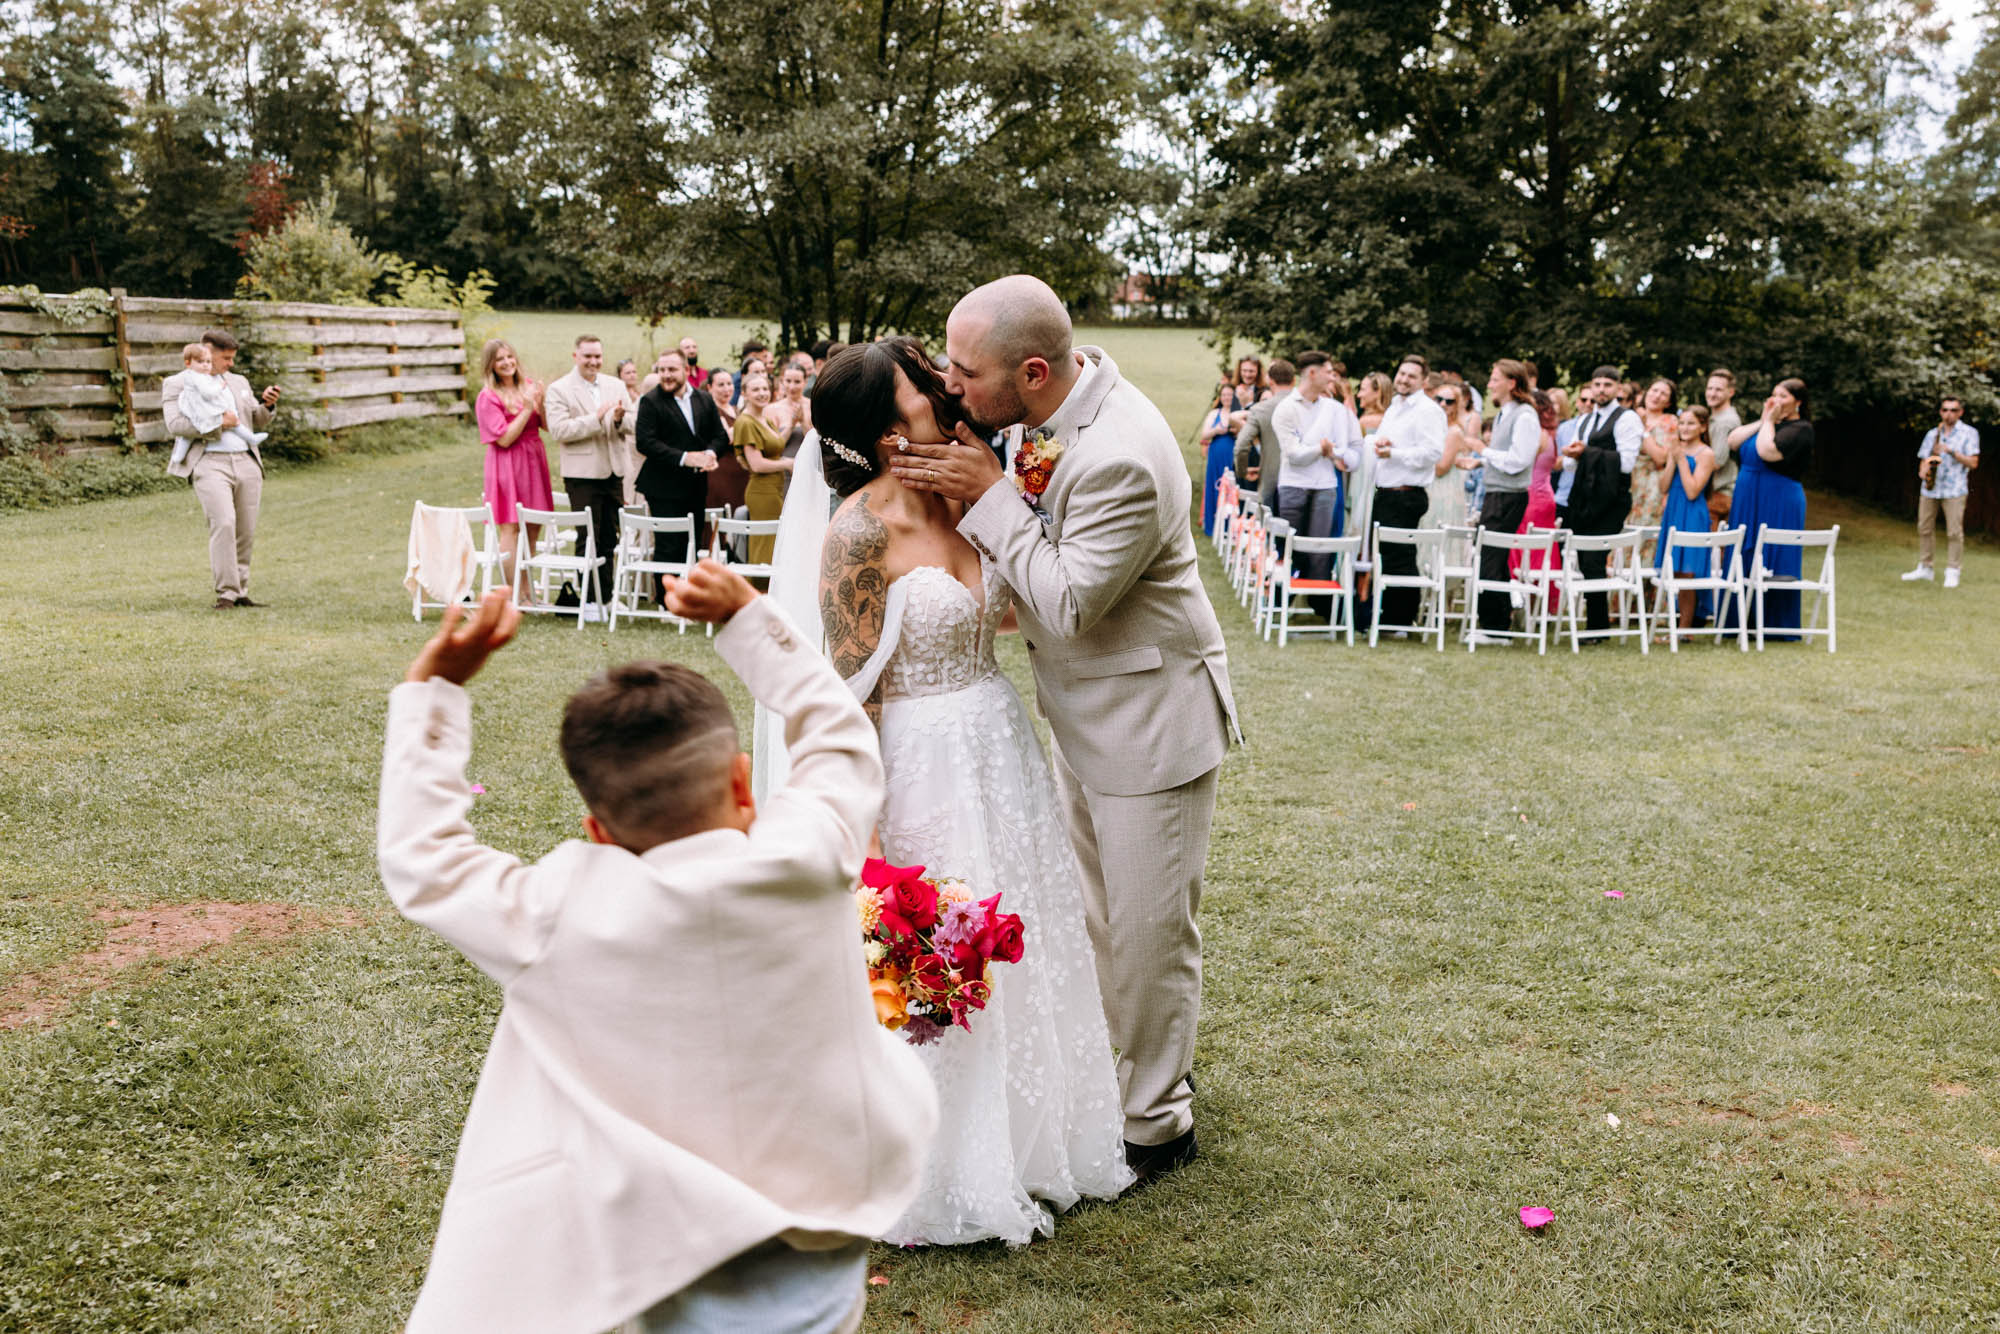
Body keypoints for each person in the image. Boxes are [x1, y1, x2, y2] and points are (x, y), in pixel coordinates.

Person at [377, 572, 937, 1334]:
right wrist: (747, 617)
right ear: (742, 783)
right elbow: (839, 734)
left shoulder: (555, 912)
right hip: (822, 1252)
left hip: (663, 1273)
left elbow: (423, 857)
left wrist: (433, 690)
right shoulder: (809, 852)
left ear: (597, 831)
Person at [758, 335, 1133, 1247]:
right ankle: (934, 1167)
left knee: (1023, 933)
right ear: (888, 435)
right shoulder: (859, 535)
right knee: (936, 953)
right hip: (918, 765)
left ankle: (1041, 1139)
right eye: (923, 388)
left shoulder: (971, 495)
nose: (944, 389)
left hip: (1000, 745)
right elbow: (848, 699)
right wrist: (869, 843)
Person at [887, 274, 1239, 1188]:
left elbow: (1071, 602)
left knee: (1150, 932)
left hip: (1150, 721)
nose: (951, 385)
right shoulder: (1049, 416)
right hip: (1088, 711)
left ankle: (1157, 1121)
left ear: (1033, 372)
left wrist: (991, 496)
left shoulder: (1120, 456)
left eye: (965, 372)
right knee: (1103, 920)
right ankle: (1124, 1075)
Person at [163, 328, 281, 610]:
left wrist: (267, 405)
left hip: (246, 461)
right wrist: (218, 424)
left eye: (232, 358)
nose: (231, 363)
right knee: (224, 523)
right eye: (226, 358)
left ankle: (241, 590)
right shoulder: (177, 383)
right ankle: (226, 593)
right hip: (209, 463)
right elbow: (175, 424)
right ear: (207, 352)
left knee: (245, 529)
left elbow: (255, 419)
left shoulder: (238, 381)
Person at [542, 335, 634, 613]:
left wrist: (618, 419)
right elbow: (559, 430)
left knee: (610, 535)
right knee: (588, 535)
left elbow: (633, 422)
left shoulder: (615, 385)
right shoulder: (559, 389)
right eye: (587, 356)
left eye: (597, 356)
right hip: (582, 474)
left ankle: (607, 596)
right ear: (576, 357)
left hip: (614, 471)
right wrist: (596, 419)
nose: (593, 361)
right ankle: (590, 600)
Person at [1725, 378, 1814, 636]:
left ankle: (1774, 624)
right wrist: (1765, 419)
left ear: (1798, 402)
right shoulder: (1767, 424)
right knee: (1744, 551)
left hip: (1779, 498)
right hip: (1747, 497)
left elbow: (1768, 452)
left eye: (1783, 396)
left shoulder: (1801, 429)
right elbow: (1733, 441)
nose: (1776, 400)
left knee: (1774, 554)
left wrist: (1768, 422)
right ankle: (1739, 621)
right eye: (1774, 395)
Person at [635, 350, 727, 591]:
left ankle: (687, 595)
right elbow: (645, 442)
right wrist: (685, 458)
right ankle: (667, 600)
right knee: (668, 545)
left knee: (692, 542)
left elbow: (720, 436)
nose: (666, 375)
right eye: (662, 370)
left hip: (696, 485)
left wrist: (710, 453)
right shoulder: (650, 401)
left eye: (672, 370)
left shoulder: (704, 399)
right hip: (662, 486)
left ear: (686, 370)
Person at [1564, 364, 1643, 633]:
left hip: (1611, 499)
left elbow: (1626, 463)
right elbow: (1570, 465)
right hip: (1583, 498)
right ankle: (1596, 623)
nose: (1601, 390)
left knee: (1595, 559)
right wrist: (1571, 455)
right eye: (1597, 385)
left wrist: (1586, 452)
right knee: (1585, 560)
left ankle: (1597, 626)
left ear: (1618, 388)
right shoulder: (1585, 420)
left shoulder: (1627, 419)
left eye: (1607, 385)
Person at [1369, 356, 1446, 630]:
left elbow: (1432, 453)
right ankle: (1388, 614)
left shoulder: (1427, 411)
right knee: (1386, 554)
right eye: (1401, 373)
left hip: (1406, 494)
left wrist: (1394, 453)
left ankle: (1401, 620)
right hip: (1386, 492)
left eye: (1411, 376)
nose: (1403, 379)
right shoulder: (1395, 406)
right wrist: (1383, 443)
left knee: (1399, 556)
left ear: (1423, 381)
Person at [1270, 351, 1354, 600]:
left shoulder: (1334, 409)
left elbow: (1342, 448)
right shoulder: (1285, 409)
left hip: (1326, 486)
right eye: (1328, 372)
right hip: (1292, 485)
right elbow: (1294, 455)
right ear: (1312, 373)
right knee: (1289, 547)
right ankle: (1281, 603)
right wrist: (1321, 449)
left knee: (1320, 549)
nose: (1332, 377)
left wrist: (1329, 451)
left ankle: (1319, 603)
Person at [473, 339, 551, 597]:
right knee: (511, 527)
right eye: (499, 359)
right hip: (507, 464)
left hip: (533, 460)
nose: (507, 362)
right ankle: (515, 592)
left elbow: (546, 426)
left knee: (533, 525)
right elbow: (504, 439)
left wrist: (542, 403)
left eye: (509, 356)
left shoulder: (528, 386)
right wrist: (527, 409)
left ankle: (528, 590)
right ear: (491, 366)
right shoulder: (488, 396)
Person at [1469, 359, 1539, 642]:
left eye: (1495, 379)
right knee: (1490, 557)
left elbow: (1518, 461)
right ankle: (1494, 623)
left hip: (1509, 496)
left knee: (1492, 558)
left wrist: (1482, 450)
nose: (1489, 384)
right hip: (1496, 492)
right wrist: (1479, 463)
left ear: (1511, 383)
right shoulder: (1503, 415)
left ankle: (1496, 628)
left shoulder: (1525, 416)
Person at [1903, 395, 1981, 588]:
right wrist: (1923, 470)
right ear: (1940, 412)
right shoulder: (1933, 434)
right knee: (1924, 527)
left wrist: (1951, 451)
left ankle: (1953, 571)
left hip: (1955, 489)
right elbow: (1924, 458)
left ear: (1960, 412)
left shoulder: (1969, 433)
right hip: (1931, 488)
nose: (1948, 414)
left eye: (1953, 410)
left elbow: (1973, 463)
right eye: (1945, 410)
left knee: (1954, 531)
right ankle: (1925, 568)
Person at [1656, 404, 1716, 628]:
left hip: (1692, 513)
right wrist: (1673, 459)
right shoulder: (1676, 450)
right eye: (1682, 423)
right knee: (1675, 570)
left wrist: (1681, 460)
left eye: (1691, 423)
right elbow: (1663, 487)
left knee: (1688, 572)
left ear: (1703, 427)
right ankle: (1679, 623)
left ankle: (1685, 628)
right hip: (1673, 510)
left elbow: (1692, 491)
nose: (1685, 428)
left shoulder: (1706, 454)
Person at [166, 342, 268, 467]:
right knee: (234, 424)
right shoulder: (195, 377)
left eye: (208, 362)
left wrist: (267, 405)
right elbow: (207, 393)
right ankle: (251, 438)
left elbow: (256, 417)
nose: (205, 365)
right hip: (201, 410)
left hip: (200, 409)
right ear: (188, 363)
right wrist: (219, 388)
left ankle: (179, 456)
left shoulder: (234, 380)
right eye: (200, 362)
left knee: (188, 438)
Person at [733, 369, 789, 566]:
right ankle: (759, 584)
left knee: (775, 544)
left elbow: (774, 449)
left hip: (776, 487)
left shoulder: (765, 419)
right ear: (744, 393)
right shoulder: (746, 422)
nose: (762, 393)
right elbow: (756, 465)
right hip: (762, 491)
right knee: (765, 546)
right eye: (755, 389)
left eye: (765, 388)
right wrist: (788, 463)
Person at [1510, 389, 1562, 582]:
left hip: (1531, 498)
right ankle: (1541, 593)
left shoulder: (1536, 435)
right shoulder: (1549, 434)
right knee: (1542, 548)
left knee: (1525, 547)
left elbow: (1519, 463)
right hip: (1545, 496)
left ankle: (1525, 591)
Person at [1235, 358, 1294, 508]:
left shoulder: (1260, 409)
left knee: (1269, 521)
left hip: (1271, 482)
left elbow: (1241, 445)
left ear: (1270, 381)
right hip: (1306, 483)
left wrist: (1242, 472)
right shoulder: (1309, 405)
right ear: (1293, 381)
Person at [1628, 378, 1676, 534]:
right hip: (1628, 481)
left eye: (1663, 394)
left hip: (1652, 485)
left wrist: (1643, 429)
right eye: (1654, 390)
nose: (1657, 396)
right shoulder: (1630, 416)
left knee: (1645, 532)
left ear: (1668, 402)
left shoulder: (1670, 421)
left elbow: (1661, 458)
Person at [1430, 380, 1480, 530]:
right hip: (1429, 487)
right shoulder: (1432, 428)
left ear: (1456, 406)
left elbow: (1441, 469)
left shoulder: (1454, 432)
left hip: (1444, 491)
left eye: (1449, 402)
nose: (1443, 404)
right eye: (1439, 399)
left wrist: (1417, 459)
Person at [1705, 369, 1742, 524]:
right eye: (1710, 388)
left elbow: (1716, 462)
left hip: (1718, 496)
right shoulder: (1715, 418)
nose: (1712, 393)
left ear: (1730, 392)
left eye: (1718, 390)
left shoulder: (1725, 421)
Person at [770, 361, 813, 489]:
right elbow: (772, 446)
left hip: (809, 469)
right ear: (782, 381)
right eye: (788, 381)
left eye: (797, 382)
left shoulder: (813, 406)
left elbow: (817, 443)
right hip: (782, 471)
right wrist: (791, 425)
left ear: (805, 382)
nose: (792, 386)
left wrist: (803, 422)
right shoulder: (772, 409)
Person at [704, 366, 738, 431]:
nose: (726, 389)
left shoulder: (735, 409)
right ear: (709, 388)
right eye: (721, 385)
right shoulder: (710, 413)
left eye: (729, 384)